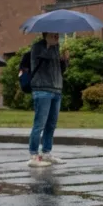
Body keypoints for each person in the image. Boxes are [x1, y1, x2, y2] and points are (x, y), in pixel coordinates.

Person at [27, 33, 68, 167]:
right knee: (40, 123)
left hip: (56, 89)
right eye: (54, 34)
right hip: (42, 89)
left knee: (51, 124)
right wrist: (50, 46)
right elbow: (42, 59)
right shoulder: (37, 47)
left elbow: (60, 71)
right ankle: (33, 154)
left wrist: (64, 61)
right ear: (46, 34)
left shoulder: (56, 48)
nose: (57, 37)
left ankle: (46, 152)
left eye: (58, 34)